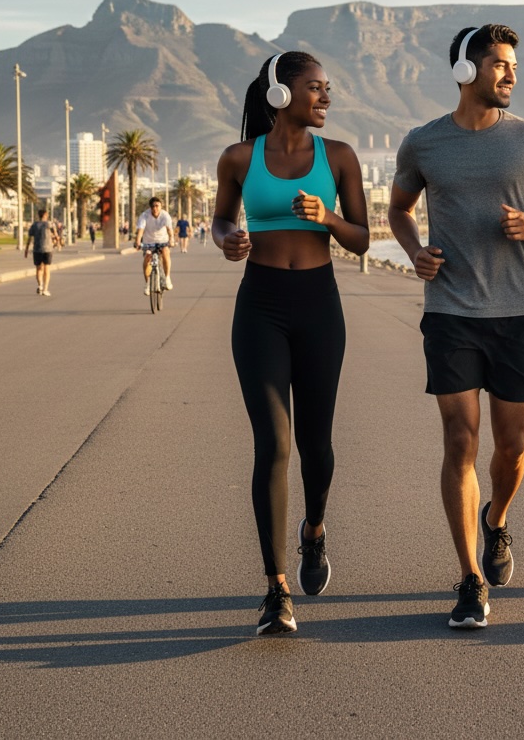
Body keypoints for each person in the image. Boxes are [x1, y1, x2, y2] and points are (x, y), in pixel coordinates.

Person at [388, 23, 524, 630]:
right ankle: (468, 580)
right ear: (465, 70)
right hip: (450, 313)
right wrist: (416, 251)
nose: (510, 74)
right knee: (460, 441)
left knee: (510, 448)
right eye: (497, 63)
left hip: (515, 314)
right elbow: (398, 209)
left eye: (513, 64)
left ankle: (496, 520)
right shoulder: (423, 143)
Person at [212, 51, 368, 636]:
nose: (325, 98)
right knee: (273, 445)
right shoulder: (238, 158)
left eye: (328, 89)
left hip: (319, 305)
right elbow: (222, 220)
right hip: (261, 307)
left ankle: (314, 530)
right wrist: (230, 240)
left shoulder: (341, 157)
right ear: (280, 94)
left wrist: (327, 217)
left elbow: (363, 240)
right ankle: (276, 590)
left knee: (316, 446)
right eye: (315, 88)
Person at [134, 197, 175, 294]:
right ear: (150, 207)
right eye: (153, 206)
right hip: (149, 242)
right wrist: (138, 242)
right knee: (147, 258)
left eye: (157, 206)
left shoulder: (165, 215)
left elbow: (169, 230)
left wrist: (171, 240)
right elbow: (140, 231)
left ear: (161, 206)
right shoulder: (144, 216)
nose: (155, 208)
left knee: (165, 252)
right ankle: (148, 284)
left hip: (163, 241)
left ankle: (167, 278)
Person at [24, 209, 60, 295]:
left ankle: (40, 285)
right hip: (47, 249)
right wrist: (57, 242)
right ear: (45, 215)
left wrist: (26, 249)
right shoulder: (50, 224)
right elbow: (56, 235)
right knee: (46, 269)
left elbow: (30, 238)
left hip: (37, 249)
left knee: (39, 269)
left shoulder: (34, 225)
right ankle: (45, 289)